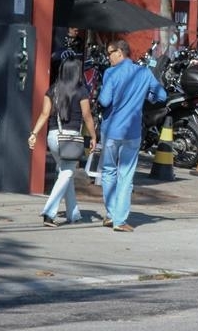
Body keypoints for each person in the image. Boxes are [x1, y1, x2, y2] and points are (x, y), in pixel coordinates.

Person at [96, 39, 167, 232]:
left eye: (110, 53)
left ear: (120, 52)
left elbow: (104, 100)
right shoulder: (144, 73)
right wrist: (146, 97)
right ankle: (120, 219)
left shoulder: (111, 73)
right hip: (133, 132)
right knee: (126, 175)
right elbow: (161, 96)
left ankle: (111, 214)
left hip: (110, 130)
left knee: (109, 171)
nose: (108, 56)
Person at [28, 55, 98, 227]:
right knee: (67, 173)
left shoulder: (52, 90)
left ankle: (73, 214)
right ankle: (49, 213)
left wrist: (34, 133)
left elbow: (45, 114)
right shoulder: (81, 91)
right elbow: (87, 116)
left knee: (66, 173)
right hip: (71, 139)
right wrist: (94, 136)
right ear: (77, 72)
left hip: (53, 137)